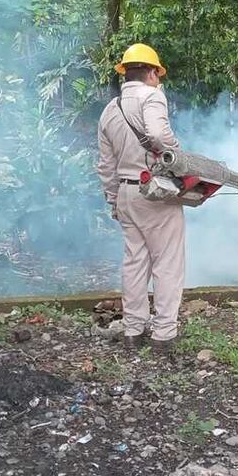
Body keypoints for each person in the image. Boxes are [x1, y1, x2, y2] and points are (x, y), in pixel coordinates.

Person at [96, 43, 185, 352]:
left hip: (125, 192)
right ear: (150, 73)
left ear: (126, 72)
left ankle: (134, 330)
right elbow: (160, 137)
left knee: (135, 262)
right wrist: (177, 154)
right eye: (157, 75)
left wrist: (113, 200)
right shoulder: (152, 96)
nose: (158, 81)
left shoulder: (111, 109)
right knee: (167, 263)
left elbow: (106, 165)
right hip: (154, 192)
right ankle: (164, 334)